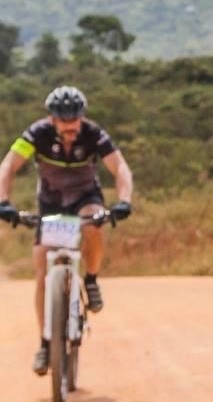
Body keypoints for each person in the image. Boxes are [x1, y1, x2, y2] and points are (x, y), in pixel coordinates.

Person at [0, 85, 134, 376]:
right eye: (64, 121)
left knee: (95, 222)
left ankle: (92, 280)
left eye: (75, 120)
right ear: (52, 119)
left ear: (82, 117)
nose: (71, 126)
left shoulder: (94, 134)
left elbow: (119, 167)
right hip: (51, 203)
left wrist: (124, 200)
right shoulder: (36, 134)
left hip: (86, 197)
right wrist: (3, 202)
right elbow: (9, 166)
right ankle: (46, 344)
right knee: (42, 273)